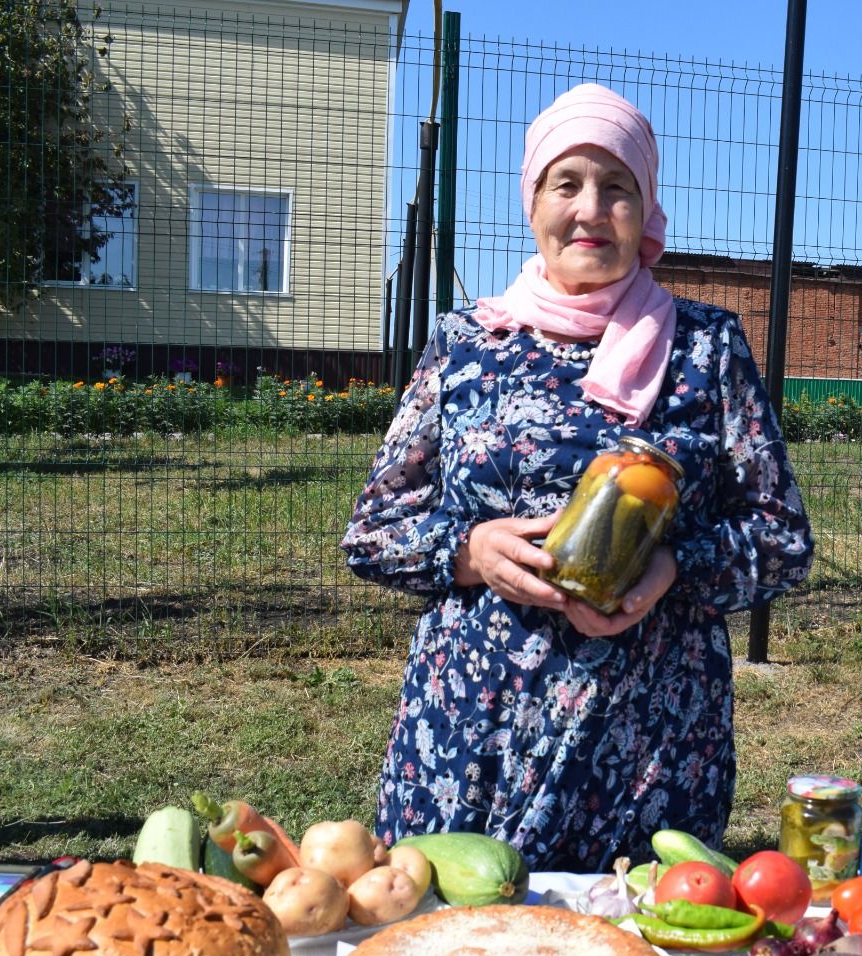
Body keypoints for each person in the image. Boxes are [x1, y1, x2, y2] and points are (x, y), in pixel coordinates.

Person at [342, 83, 813, 873]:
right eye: (567, 184)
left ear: (647, 209)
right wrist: (471, 552)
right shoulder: (465, 344)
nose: (591, 210)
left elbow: (783, 539)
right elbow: (374, 532)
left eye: (617, 187)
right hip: (472, 737)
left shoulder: (706, 347)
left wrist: (676, 566)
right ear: (533, 203)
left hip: (651, 747)